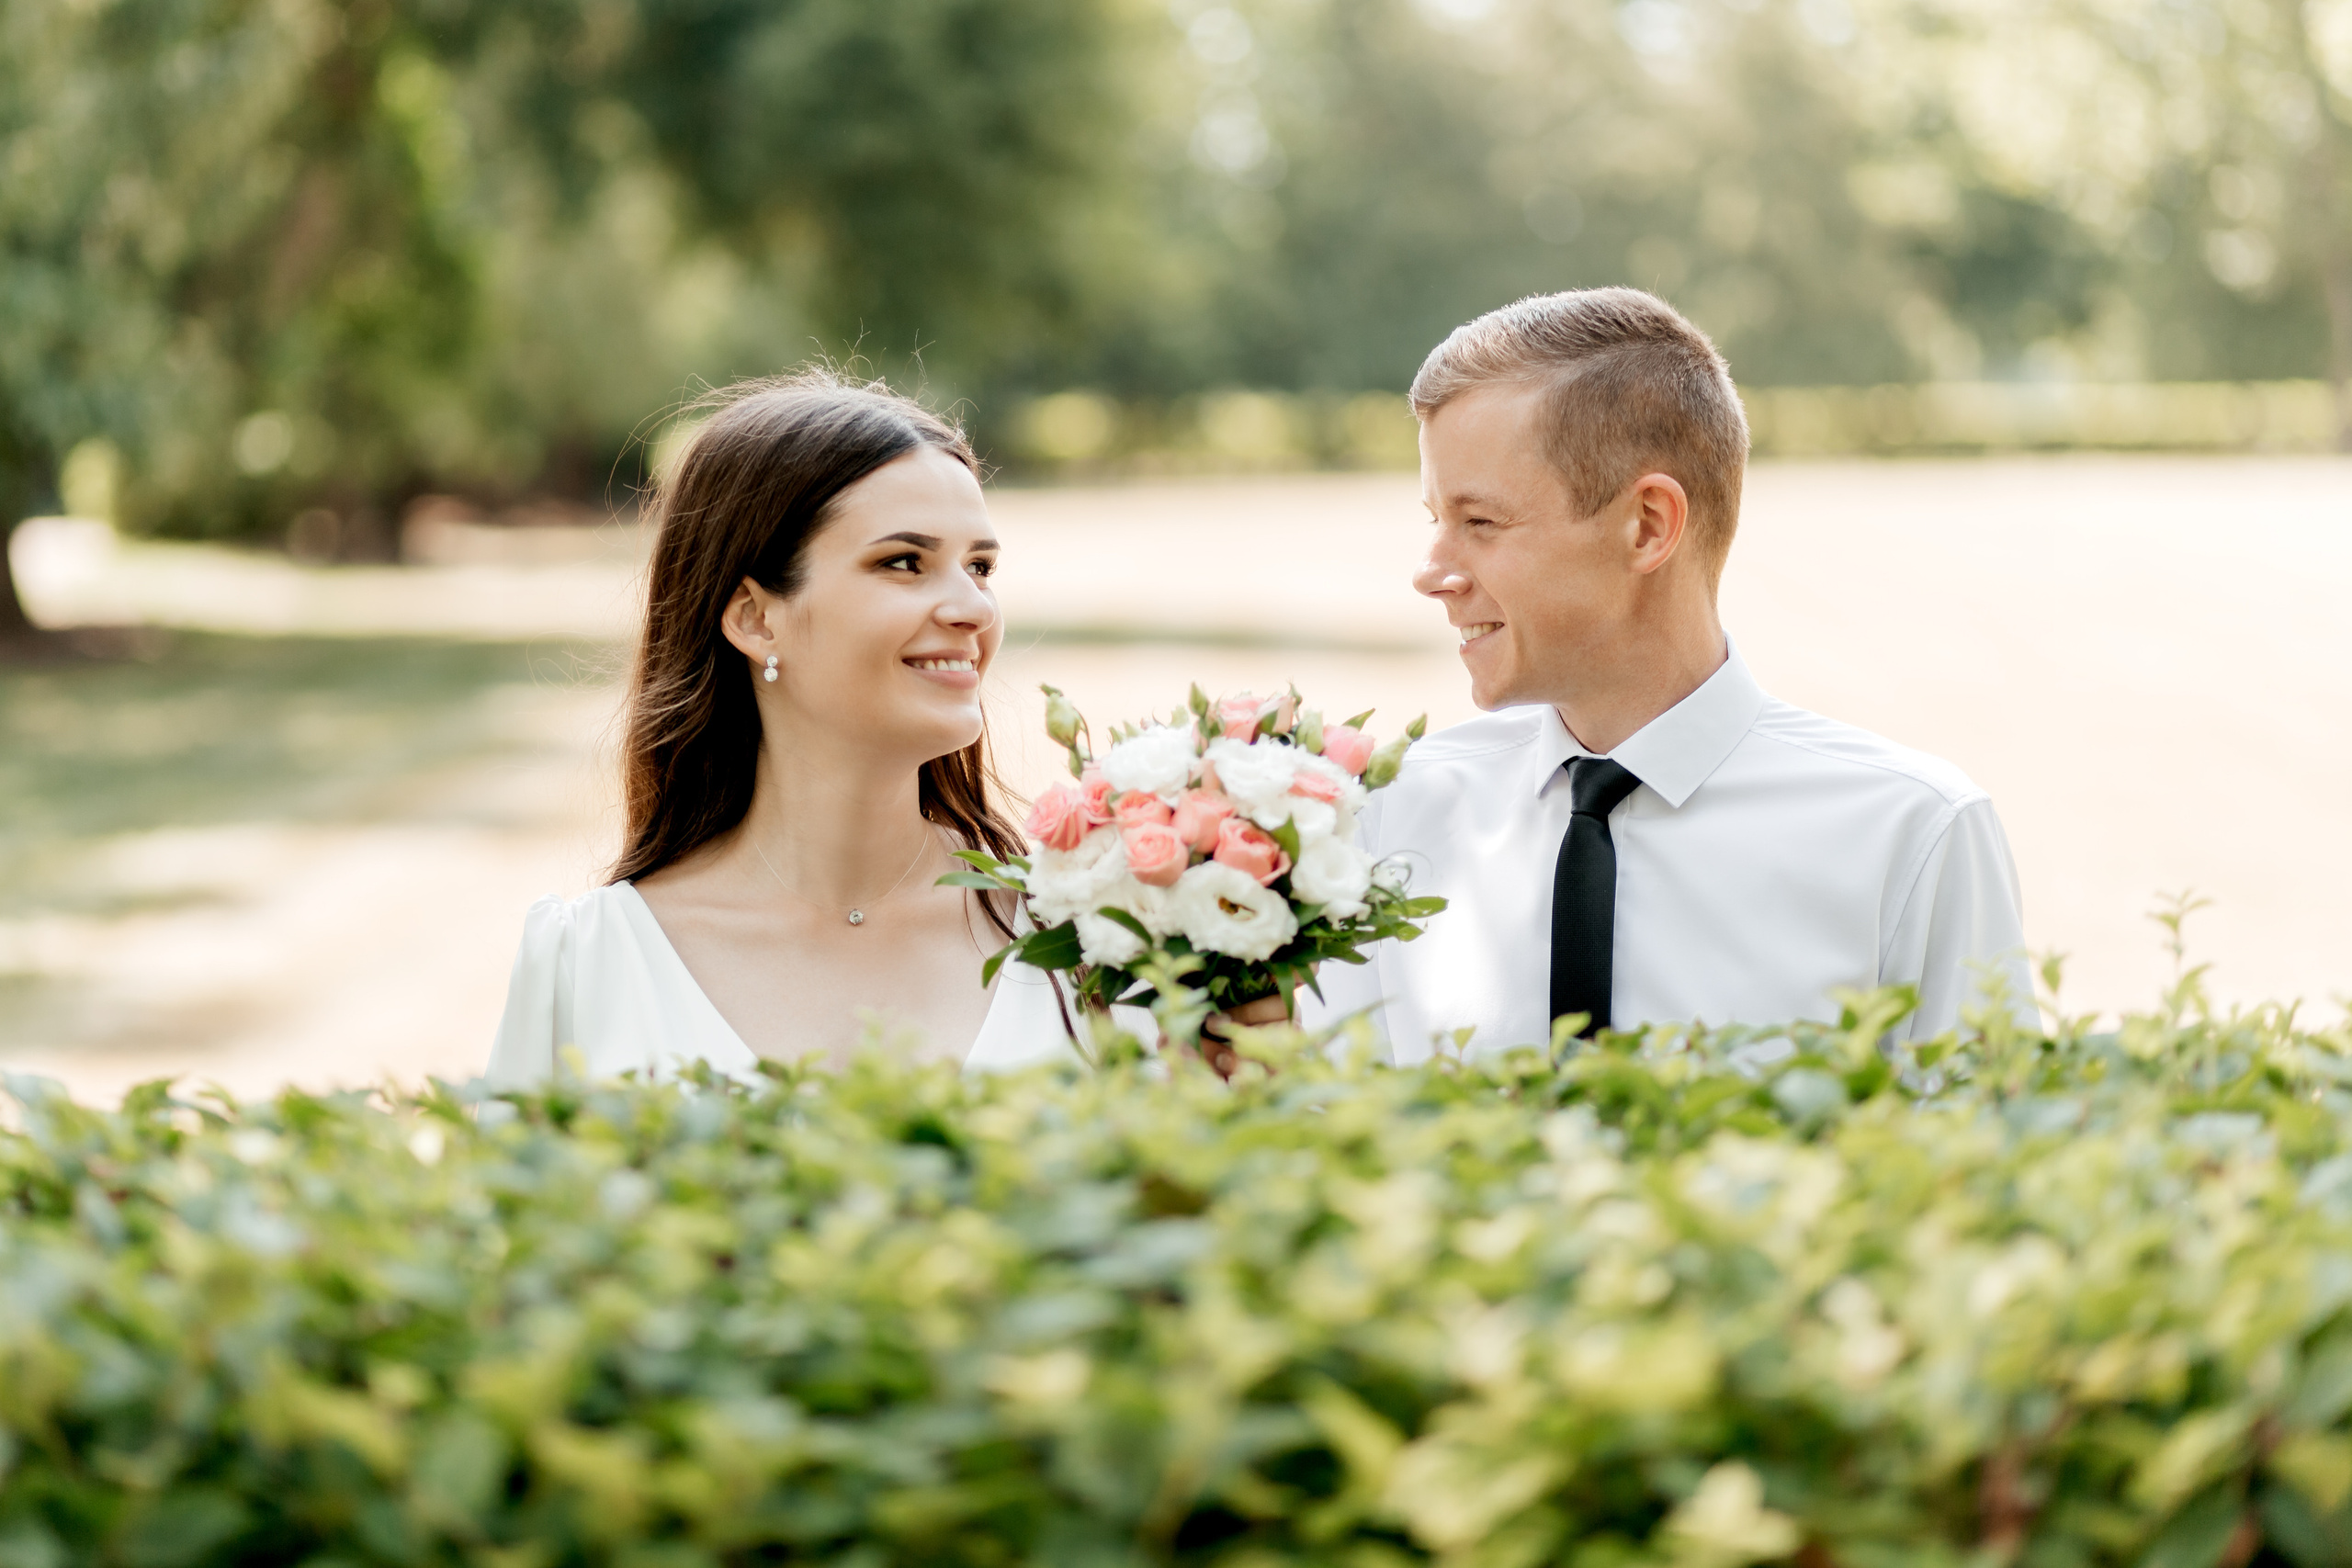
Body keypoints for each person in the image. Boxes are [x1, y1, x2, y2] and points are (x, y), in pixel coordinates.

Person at [1300, 288, 2030, 1061]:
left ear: (1647, 525)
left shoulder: (1911, 834)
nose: (1432, 572)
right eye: (1434, 519)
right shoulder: (1385, 816)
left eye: (1480, 522)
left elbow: (1984, 1156)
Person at [486, 371, 1080, 1087]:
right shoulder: (586, 965)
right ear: (756, 618)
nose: (974, 609)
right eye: (904, 562)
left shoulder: (1084, 937)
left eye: (979, 567)